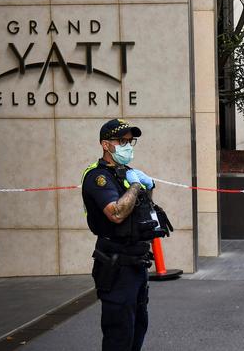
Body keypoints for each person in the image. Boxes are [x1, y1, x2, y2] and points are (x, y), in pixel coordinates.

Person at [82, 119, 171, 351]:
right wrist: (134, 186)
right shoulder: (98, 177)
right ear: (105, 144)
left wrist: (147, 187)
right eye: (122, 141)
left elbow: (141, 211)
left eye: (131, 141)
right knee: (119, 334)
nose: (128, 146)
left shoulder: (126, 172)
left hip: (136, 262)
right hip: (116, 264)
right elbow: (117, 213)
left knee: (138, 326)